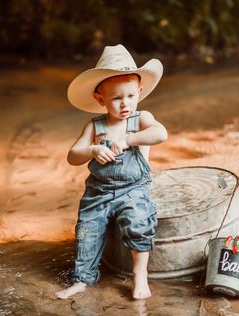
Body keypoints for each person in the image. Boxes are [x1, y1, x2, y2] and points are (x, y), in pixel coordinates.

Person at [55, 44, 167, 300]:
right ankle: (82, 279)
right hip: (99, 192)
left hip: (134, 189)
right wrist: (93, 150)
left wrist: (130, 139)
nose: (125, 103)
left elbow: (161, 134)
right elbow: (73, 156)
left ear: (139, 92)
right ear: (100, 99)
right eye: (116, 98)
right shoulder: (95, 126)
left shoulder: (141, 119)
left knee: (139, 222)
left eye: (130, 96)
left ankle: (140, 276)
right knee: (87, 230)